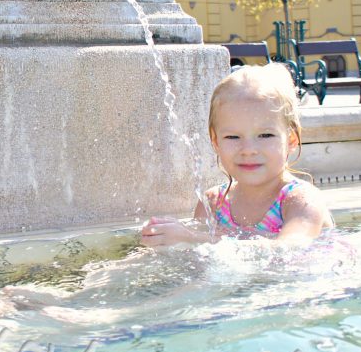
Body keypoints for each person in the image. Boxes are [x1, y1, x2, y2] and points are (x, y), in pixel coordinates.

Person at [142, 64, 333, 248]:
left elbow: (289, 249)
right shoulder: (213, 204)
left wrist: (191, 238)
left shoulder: (301, 201)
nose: (248, 149)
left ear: (291, 140)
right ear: (215, 142)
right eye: (233, 137)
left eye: (265, 135)